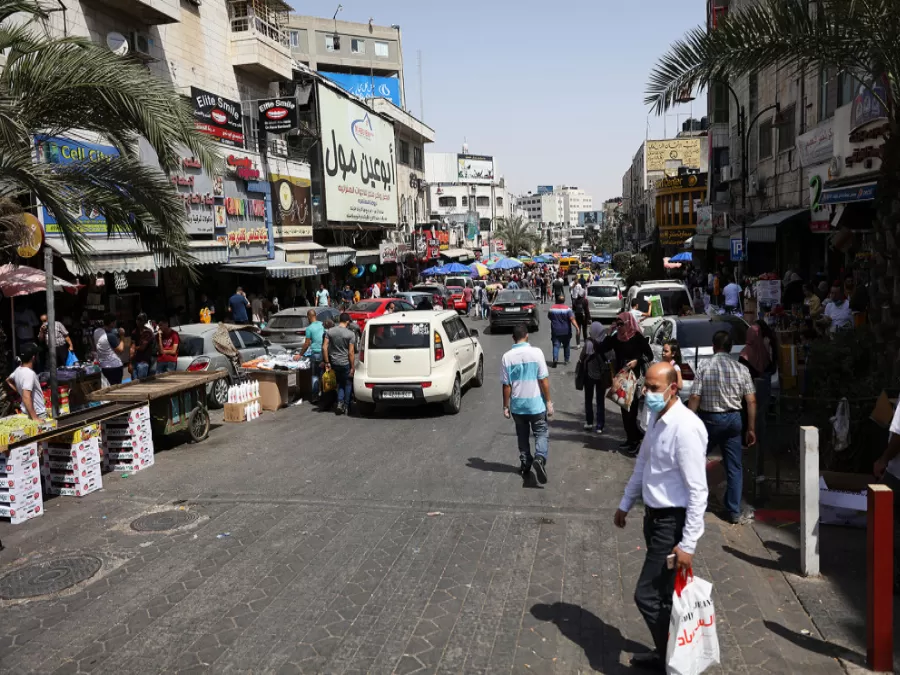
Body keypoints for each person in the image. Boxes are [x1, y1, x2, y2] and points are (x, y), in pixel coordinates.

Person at [615, 361, 709, 671]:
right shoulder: (656, 418)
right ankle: (667, 656)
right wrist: (626, 503)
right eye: (647, 386)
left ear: (673, 388)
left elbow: (698, 491)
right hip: (653, 518)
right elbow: (643, 464)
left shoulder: (686, 428)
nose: (647, 393)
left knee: (646, 595)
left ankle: (674, 660)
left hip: (673, 523)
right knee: (665, 597)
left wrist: (689, 544)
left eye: (654, 388)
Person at [688, 330, 757, 524]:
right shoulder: (741, 369)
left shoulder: (704, 366)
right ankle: (734, 512)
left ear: (713, 346)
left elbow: (694, 397)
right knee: (734, 467)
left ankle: (692, 503)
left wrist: (687, 420)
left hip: (708, 420)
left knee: (695, 460)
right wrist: (751, 428)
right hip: (733, 421)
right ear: (730, 347)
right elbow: (751, 401)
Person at [501, 324, 553, 484]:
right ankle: (540, 458)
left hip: (518, 406)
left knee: (522, 436)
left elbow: (506, 385)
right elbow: (543, 380)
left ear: (513, 338)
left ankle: (526, 463)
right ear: (527, 336)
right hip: (536, 404)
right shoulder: (536, 353)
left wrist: (505, 406)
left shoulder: (507, 357)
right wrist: (549, 401)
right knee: (541, 433)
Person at [600, 312, 654, 456]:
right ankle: (630, 439)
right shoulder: (616, 338)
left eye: (621, 324)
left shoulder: (637, 337)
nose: (619, 327)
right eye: (617, 324)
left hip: (634, 378)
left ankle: (636, 440)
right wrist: (610, 332)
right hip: (621, 378)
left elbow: (649, 355)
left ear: (628, 323)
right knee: (624, 410)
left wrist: (637, 361)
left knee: (632, 410)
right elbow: (601, 348)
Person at [323, 313, 356, 416]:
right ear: (347, 321)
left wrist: (327, 362)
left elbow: (324, 347)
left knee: (340, 383)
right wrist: (352, 367)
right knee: (347, 383)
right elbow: (351, 353)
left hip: (334, 362)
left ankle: (339, 403)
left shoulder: (330, 331)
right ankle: (346, 405)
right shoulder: (350, 334)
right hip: (345, 363)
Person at [580, 321, 610, 433]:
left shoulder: (589, 343)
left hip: (589, 375)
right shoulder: (605, 343)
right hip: (602, 375)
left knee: (588, 399)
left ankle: (589, 422)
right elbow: (610, 357)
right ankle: (599, 425)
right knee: (600, 401)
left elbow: (582, 356)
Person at [5, 344, 46, 420]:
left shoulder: (18, 370)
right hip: (37, 414)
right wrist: (35, 418)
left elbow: (8, 380)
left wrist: (19, 391)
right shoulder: (29, 374)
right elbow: (26, 397)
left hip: (26, 413)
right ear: (33, 358)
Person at [298, 309, 325, 400]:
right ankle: (324, 394)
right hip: (323, 352)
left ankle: (315, 396)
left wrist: (300, 354)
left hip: (315, 354)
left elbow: (306, 343)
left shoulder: (309, 328)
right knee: (323, 374)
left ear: (309, 317)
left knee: (315, 375)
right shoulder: (322, 324)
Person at [548, 294, 579, 367]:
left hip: (555, 330)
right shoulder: (568, 309)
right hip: (566, 331)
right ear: (564, 301)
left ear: (557, 300)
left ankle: (555, 359)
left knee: (556, 345)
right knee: (566, 345)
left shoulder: (552, 308)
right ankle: (566, 360)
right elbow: (572, 319)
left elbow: (549, 317)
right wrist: (577, 327)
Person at [94, 313, 125, 385]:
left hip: (103, 366)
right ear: (112, 323)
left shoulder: (96, 332)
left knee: (107, 387)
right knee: (116, 388)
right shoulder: (111, 336)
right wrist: (122, 336)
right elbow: (121, 350)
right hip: (115, 366)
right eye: (115, 322)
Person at [130, 313, 155, 380]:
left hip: (143, 362)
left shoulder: (148, 332)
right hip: (135, 361)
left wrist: (133, 348)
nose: (138, 321)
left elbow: (142, 348)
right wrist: (130, 363)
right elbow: (132, 346)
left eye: (140, 320)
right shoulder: (134, 332)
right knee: (133, 384)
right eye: (137, 319)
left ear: (145, 321)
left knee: (141, 383)